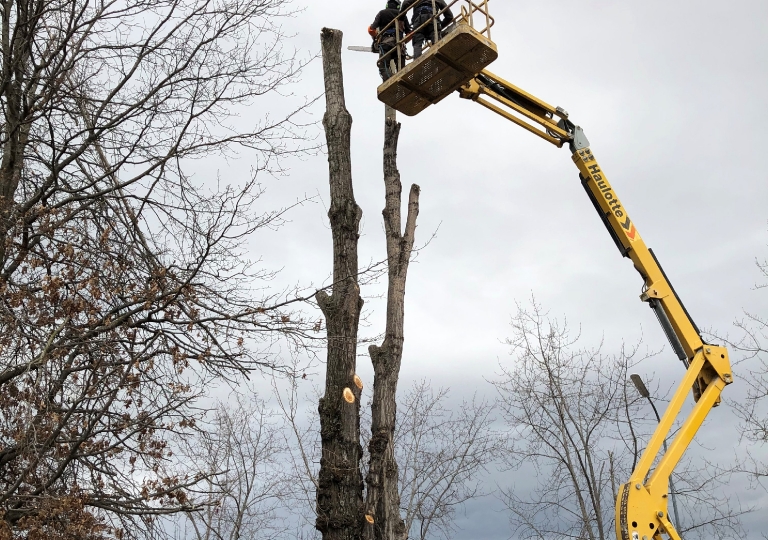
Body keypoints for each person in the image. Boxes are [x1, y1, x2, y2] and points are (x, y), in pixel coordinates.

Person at [369, 0, 411, 81]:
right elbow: (410, 33)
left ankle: (391, 80)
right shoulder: (401, 15)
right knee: (401, 70)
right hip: (400, 46)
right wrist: (403, 41)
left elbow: (371, 30)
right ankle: (402, 83)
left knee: (383, 67)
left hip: (386, 44)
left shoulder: (382, 13)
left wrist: (376, 38)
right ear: (398, 6)